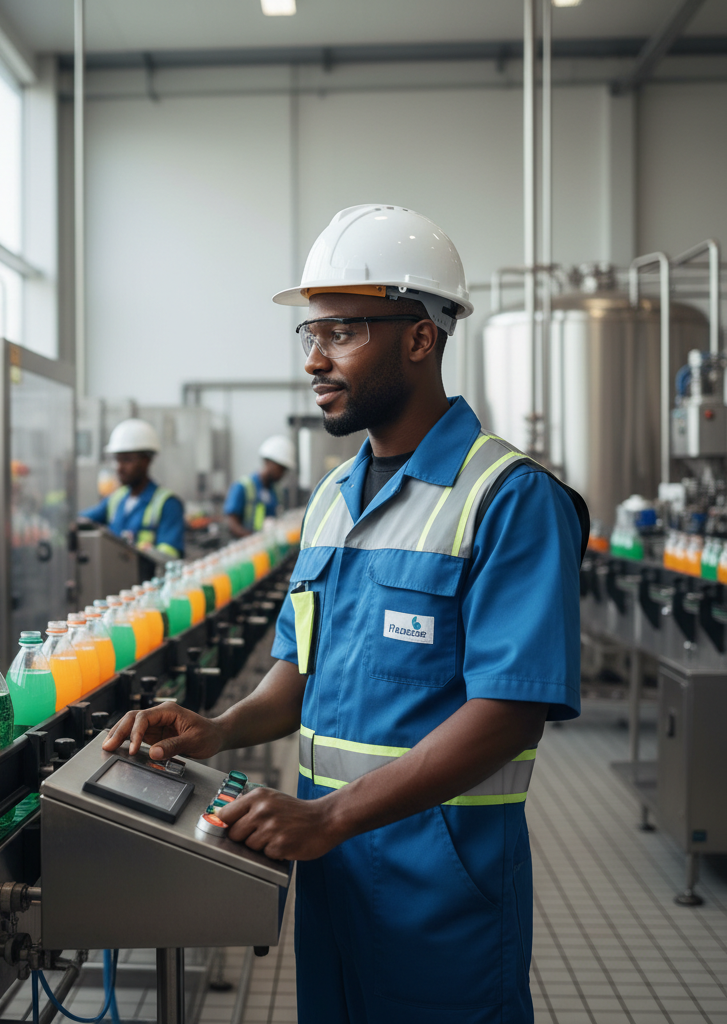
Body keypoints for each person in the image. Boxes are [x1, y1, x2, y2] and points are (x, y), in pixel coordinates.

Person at [104, 205, 589, 1023]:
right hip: (332, 877)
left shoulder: (509, 497)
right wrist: (220, 728)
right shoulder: (332, 498)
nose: (314, 359)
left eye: (343, 332)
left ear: (421, 337)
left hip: (441, 887)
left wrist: (330, 815)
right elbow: (300, 672)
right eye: (311, 333)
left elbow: (510, 713)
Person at [79, 418, 185, 559]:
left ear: (146, 461)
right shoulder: (116, 499)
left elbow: (170, 554)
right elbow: (83, 520)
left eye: (127, 460)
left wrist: (147, 552)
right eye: (117, 460)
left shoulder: (167, 504)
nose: (119, 468)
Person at [223, 435, 296, 538]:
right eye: (280, 468)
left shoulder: (276, 491)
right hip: (247, 546)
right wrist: (254, 538)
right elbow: (232, 524)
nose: (282, 474)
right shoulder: (242, 487)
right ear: (268, 462)